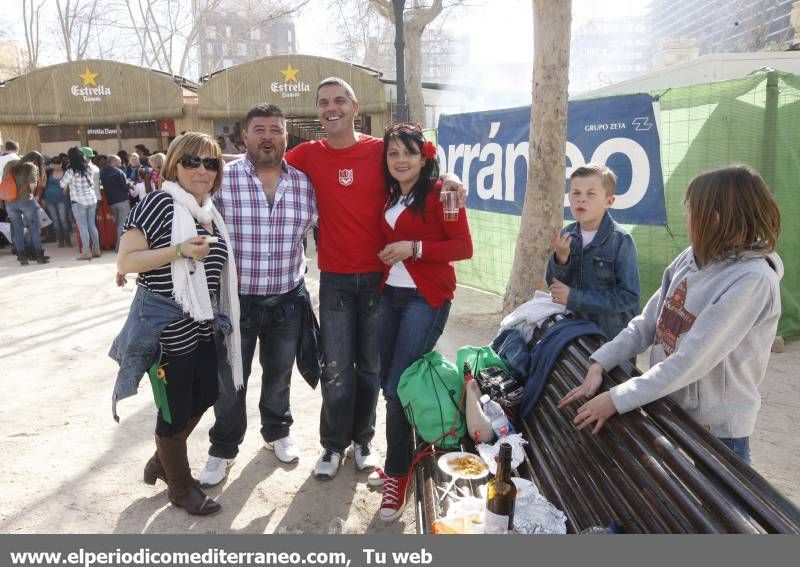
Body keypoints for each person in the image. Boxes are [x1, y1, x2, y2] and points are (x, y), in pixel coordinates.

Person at [285, 76, 465, 480]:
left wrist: (450, 177)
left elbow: (417, 158)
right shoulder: (307, 154)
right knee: (336, 367)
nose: (331, 108)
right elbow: (256, 162)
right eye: (323, 101)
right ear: (318, 110)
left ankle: (363, 442)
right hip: (334, 278)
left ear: (354, 105)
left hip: (378, 281)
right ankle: (333, 446)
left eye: (339, 100)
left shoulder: (378, 149)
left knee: (370, 368)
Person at [559, 165, 783, 464]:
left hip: (717, 431)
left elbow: (691, 359)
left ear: (715, 218)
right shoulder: (690, 258)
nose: (684, 217)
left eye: (690, 210)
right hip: (670, 405)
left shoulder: (751, 280)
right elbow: (647, 321)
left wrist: (616, 398)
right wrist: (602, 360)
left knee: (717, 510)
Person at [113, 132, 242, 516]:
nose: (202, 170)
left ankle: (162, 461)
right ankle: (180, 487)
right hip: (167, 329)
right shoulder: (158, 203)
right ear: (173, 165)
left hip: (202, 323)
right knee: (173, 408)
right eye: (191, 161)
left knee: (204, 395)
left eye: (211, 163)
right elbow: (126, 262)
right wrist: (179, 251)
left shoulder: (208, 211)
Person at [198, 104, 317, 487]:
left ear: (286, 137)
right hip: (236, 302)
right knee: (231, 380)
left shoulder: (304, 183)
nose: (268, 136)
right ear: (244, 137)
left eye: (276, 130)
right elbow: (180, 205)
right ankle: (223, 449)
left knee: (280, 375)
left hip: (287, 299)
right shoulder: (221, 180)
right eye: (259, 129)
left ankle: (277, 432)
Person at [376, 123, 472, 521]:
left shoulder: (443, 192)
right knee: (391, 383)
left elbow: (463, 247)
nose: (400, 160)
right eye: (393, 153)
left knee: (400, 386)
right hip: (388, 296)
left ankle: (397, 475)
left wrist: (414, 247)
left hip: (425, 297)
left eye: (409, 153)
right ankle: (410, 458)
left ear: (424, 156)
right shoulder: (388, 192)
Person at [546, 163, 640, 340]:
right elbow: (554, 288)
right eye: (576, 193)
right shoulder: (566, 234)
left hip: (611, 338)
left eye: (591, 194)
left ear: (609, 201)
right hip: (575, 332)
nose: (581, 199)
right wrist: (561, 258)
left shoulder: (621, 241)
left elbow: (628, 297)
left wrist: (575, 298)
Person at [2, 151, 49, 265]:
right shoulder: (32, 167)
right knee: (34, 229)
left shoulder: (10, 164)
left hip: (10, 202)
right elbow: (33, 185)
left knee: (18, 230)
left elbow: (4, 180)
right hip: (26, 201)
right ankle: (39, 256)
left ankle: (22, 258)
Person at [61, 146, 100, 260]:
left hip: (78, 201)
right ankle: (96, 250)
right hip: (91, 200)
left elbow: (62, 184)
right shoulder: (89, 168)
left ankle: (86, 251)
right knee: (92, 225)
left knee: (83, 226)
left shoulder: (70, 171)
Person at [100, 154, 131, 252]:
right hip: (122, 200)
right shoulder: (118, 172)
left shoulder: (102, 172)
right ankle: (120, 247)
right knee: (123, 224)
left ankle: (119, 246)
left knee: (118, 224)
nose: (120, 163)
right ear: (113, 162)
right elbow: (125, 187)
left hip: (111, 202)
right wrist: (130, 185)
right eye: (119, 161)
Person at [43, 155, 71, 248]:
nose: (55, 166)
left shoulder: (66, 172)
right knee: (55, 220)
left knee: (63, 220)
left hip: (62, 199)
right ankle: (60, 240)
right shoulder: (48, 172)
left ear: (61, 164)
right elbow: (43, 181)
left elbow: (69, 183)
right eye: (53, 164)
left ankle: (67, 240)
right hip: (49, 198)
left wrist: (67, 188)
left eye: (57, 164)